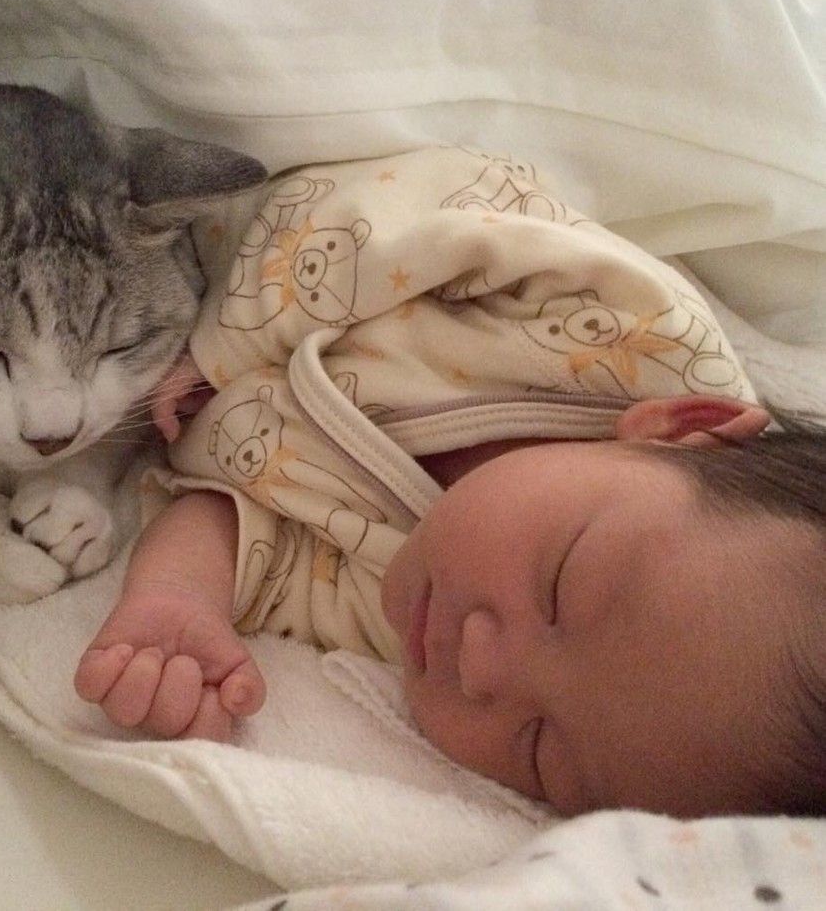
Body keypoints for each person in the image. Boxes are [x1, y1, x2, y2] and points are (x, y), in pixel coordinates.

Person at [73, 147, 826, 818]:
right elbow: (427, 211)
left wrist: (177, 597)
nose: (481, 666)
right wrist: (221, 350)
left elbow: (262, 551)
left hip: (120, 376)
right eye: (563, 586)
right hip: (210, 208)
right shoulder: (631, 329)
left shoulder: (399, 613)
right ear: (681, 430)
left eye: (541, 752)